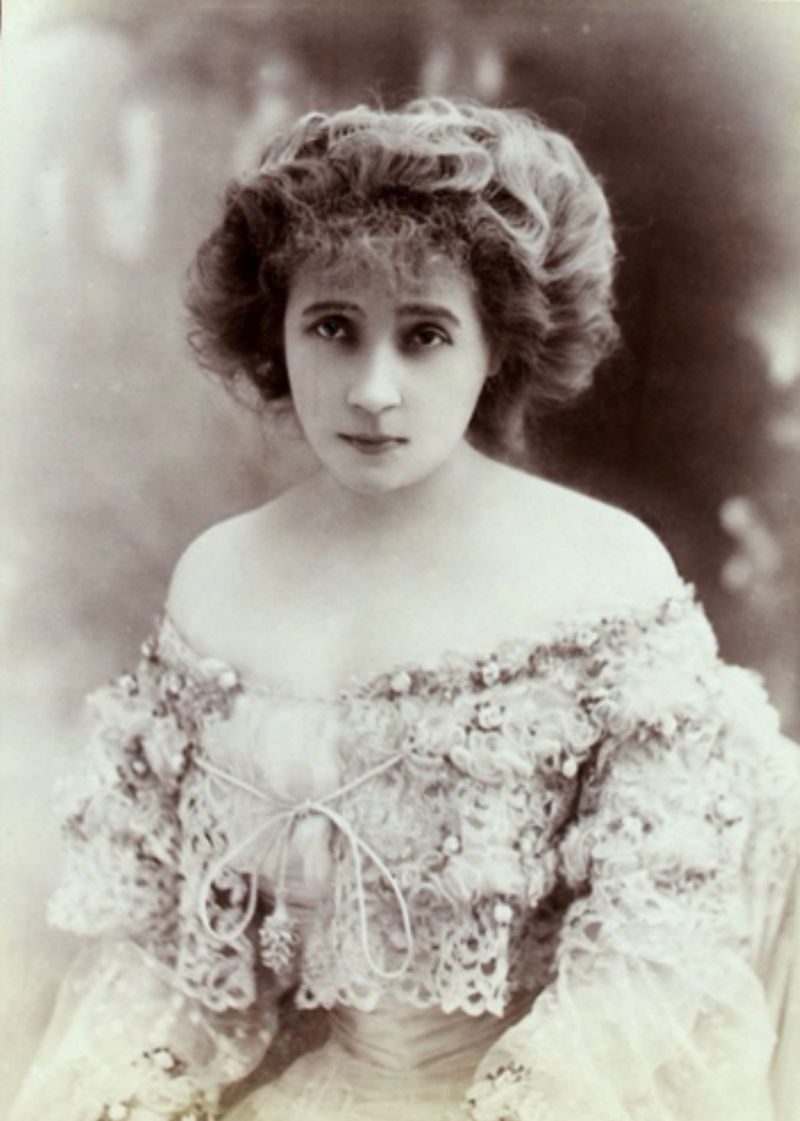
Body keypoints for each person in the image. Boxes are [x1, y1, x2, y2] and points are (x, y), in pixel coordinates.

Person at [11, 97, 800, 1121]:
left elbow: (655, 947)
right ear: (275, 330)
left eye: (423, 334)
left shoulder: (602, 573)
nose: (373, 390)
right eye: (332, 327)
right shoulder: (219, 577)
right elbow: (171, 952)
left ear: (496, 346)